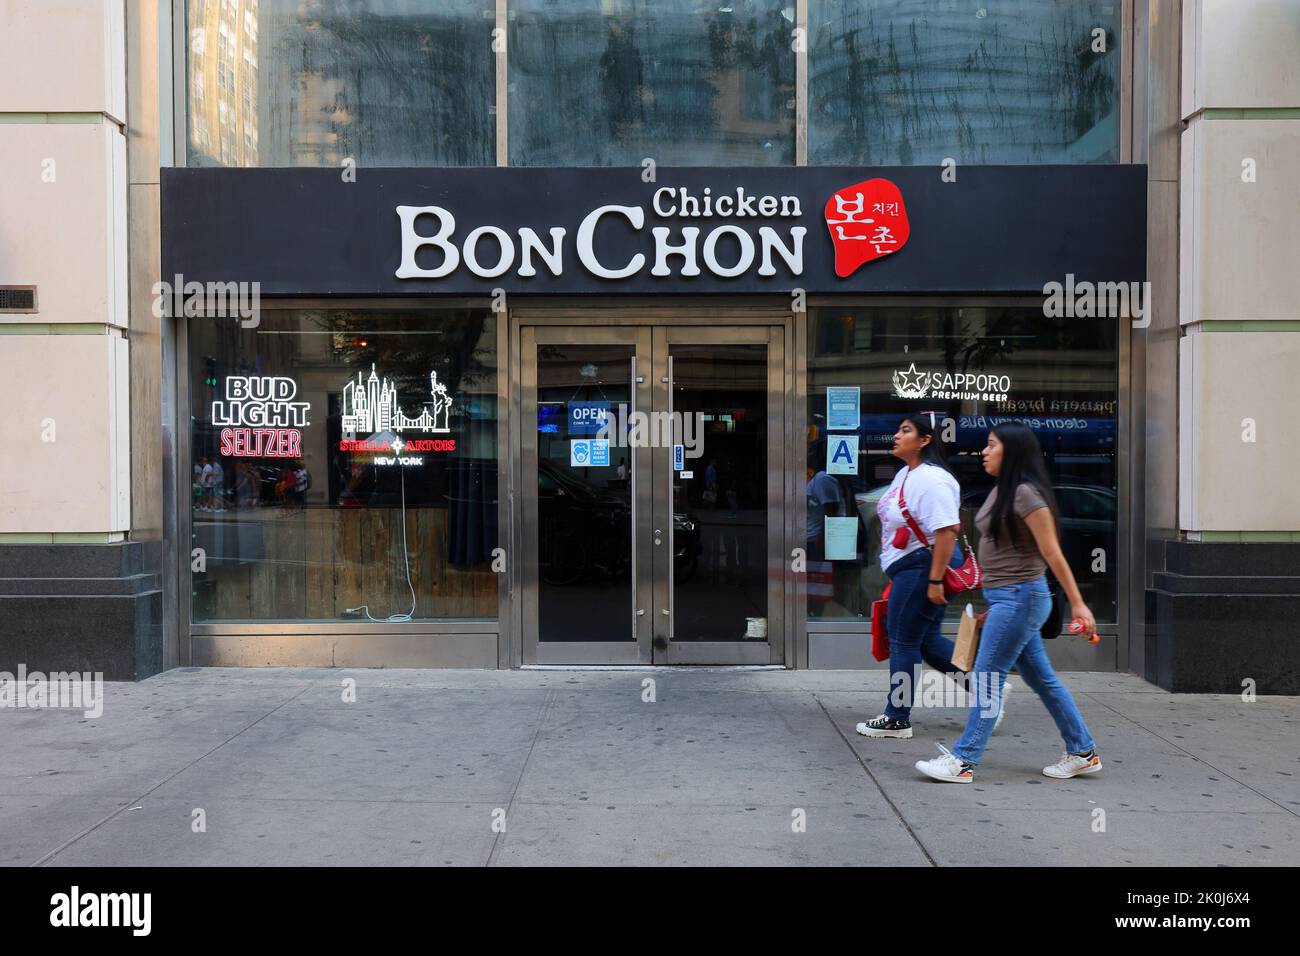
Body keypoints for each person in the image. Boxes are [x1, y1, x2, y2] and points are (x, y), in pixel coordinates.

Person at [914, 420, 1101, 783]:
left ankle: (963, 761)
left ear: (1011, 451)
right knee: (1043, 680)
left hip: (1020, 598)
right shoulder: (1006, 491)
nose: (984, 451)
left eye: (991, 444)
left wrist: (1079, 604)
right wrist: (995, 606)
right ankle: (1082, 751)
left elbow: (1052, 553)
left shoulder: (1026, 494)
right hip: (1009, 599)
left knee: (986, 679)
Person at [857, 414, 973, 739]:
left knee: (903, 640)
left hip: (922, 567)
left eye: (905, 430)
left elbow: (947, 531)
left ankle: (897, 717)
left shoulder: (931, 480)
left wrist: (935, 581)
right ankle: (987, 688)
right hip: (915, 566)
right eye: (898, 429)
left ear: (925, 440)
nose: (896, 435)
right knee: (926, 641)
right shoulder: (907, 474)